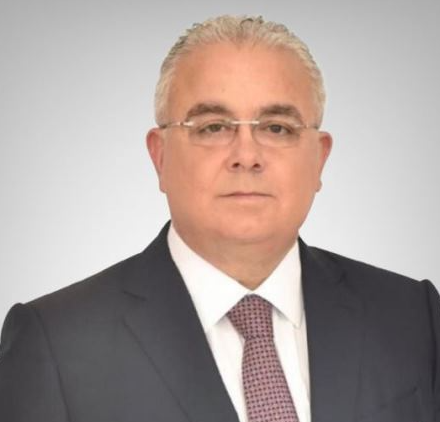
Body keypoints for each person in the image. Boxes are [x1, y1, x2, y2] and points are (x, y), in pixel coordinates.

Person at [0, 15, 439, 422]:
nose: (246, 155)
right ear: (160, 156)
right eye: (212, 127)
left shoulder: (411, 316)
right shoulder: (57, 343)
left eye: (277, 127)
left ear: (319, 158)